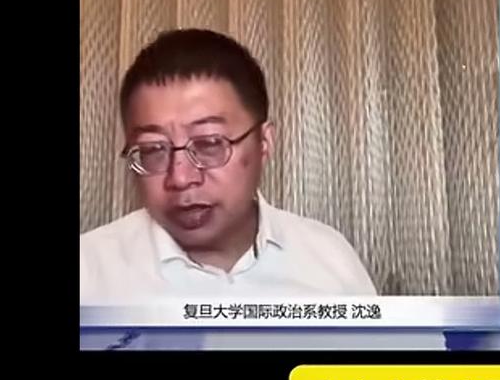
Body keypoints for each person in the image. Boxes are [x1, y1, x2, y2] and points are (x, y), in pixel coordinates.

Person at [80, 28, 377, 302]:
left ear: (264, 142)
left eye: (209, 144)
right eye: (152, 149)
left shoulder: (330, 262)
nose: (180, 178)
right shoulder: (91, 275)